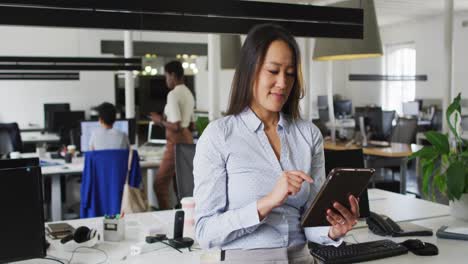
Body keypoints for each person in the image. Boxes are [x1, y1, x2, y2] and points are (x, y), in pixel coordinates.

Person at [193, 24, 360, 263]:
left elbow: (312, 223)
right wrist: (268, 202)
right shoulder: (219, 135)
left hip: (302, 257)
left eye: (290, 73)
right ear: (250, 71)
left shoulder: (308, 134)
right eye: (273, 71)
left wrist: (332, 231)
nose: (283, 83)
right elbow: (205, 232)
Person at [151, 61, 195, 209]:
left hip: (176, 142)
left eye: (166, 76)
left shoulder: (173, 94)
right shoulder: (188, 93)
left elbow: (175, 125)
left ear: (173, 75)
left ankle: (166, 216)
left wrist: (159, 120)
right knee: (182, 186)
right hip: (187, 139)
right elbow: (191, 125)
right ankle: (183, 216)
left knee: (159, 184)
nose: (166, 80)